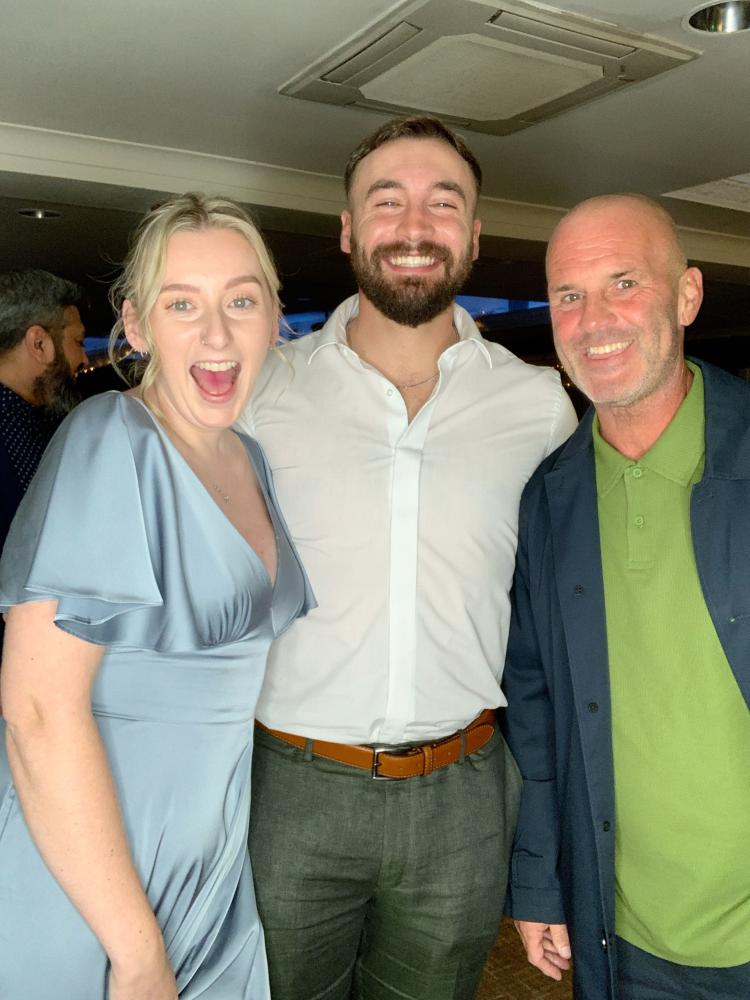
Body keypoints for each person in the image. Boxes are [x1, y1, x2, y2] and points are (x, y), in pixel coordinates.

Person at [239, 116, 577, 1000]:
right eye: (387, 202)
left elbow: (558, 620)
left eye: (444, 203)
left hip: (465, 795)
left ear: (475, 235)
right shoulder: (262, 390)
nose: (416, 226)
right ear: (349, 230)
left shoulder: (539, 406)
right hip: (289, 789)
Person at [0, 193, 313, 1000]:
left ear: (274, 316)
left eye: (240, 301)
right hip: (95, 879)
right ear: (136, 325)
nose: (217, 334)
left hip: (209, 864)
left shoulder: (248, 456)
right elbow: (36, 713)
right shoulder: (110, 440)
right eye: (183, 304)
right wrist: (137, 953)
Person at [503, 193, 750, 1000]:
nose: (594, 320)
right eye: (569, 295)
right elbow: (535, 707)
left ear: (687, 295)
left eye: (624, 283)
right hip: (624, 941)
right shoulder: (550, 500)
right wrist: (541, 879)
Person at [0, 268, 88, 557]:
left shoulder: (42, 424)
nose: (84, 358)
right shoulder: (19, 432)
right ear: (39, 344)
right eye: (78, 342)